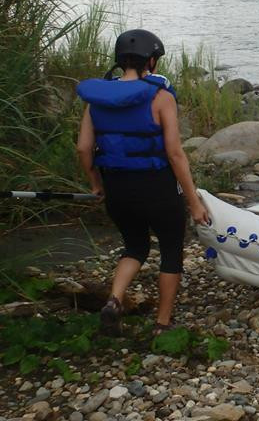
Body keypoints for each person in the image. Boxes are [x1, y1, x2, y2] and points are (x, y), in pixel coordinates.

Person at [76, 29, 209, 336]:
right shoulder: (161, 97)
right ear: (151, 61)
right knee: (171, 250)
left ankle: (114, 300)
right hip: (157, 187)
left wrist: (96, 183)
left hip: (117, 188)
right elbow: (175, 154)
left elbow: (83, 148)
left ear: (120, 60)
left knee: (135, 246)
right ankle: (162, 323)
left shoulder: (97, 100)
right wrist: (194, 202)